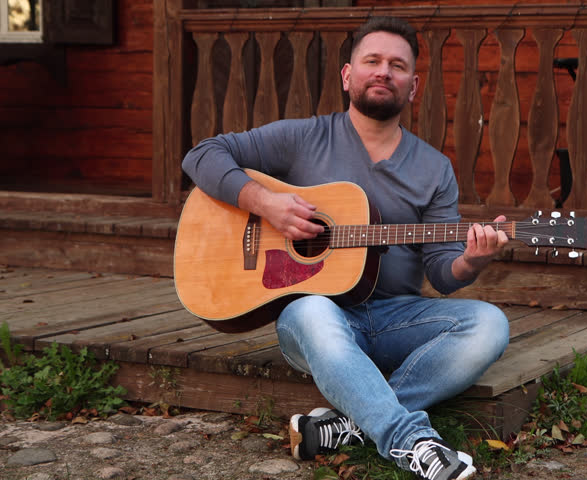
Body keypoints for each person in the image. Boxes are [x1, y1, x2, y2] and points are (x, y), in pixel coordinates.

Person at [182, 16, 510, 480]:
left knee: (490, 324)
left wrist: (470, 261)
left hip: (396, 318)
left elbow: (440, 271)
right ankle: (410, 440)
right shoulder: (303, 137)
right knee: (314, 310)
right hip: (316, 322)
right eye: (371, 61)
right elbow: (201, 155)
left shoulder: (434, 169)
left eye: (397, 66)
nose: (383, 72)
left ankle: (351, 425)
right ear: (347, 75)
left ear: (412, 87)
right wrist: (267, 204)